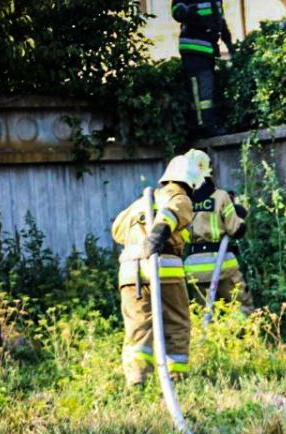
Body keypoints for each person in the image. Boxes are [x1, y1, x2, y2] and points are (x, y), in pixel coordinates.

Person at [112, 154, 202, 385]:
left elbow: (117, 231)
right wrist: (158, 236)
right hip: (164, 270)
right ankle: (176, 378)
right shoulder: (180, 197)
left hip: (130, 274)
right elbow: (171, 215)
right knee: (176, 323)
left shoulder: (140, 203)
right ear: (192, 182)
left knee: (138, 327)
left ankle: (137, 380)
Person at [181, 149, 253, 311]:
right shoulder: (221, 196)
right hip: (222, 265)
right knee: (242, 306)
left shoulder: (182, 201)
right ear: (208, 172)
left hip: (194, 269)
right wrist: (239, 213)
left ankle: (209, 336)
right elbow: (236, 230)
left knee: (204, 312)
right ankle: (241, 334)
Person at [171, 0, 232, 136]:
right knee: (201, 91)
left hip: (207, 50)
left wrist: (229, 43)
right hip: (193, 48)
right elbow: (177, 11)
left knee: (207, 89)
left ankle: (208, 124)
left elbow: (219, 20)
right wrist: (187, 11)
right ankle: (203, 126)